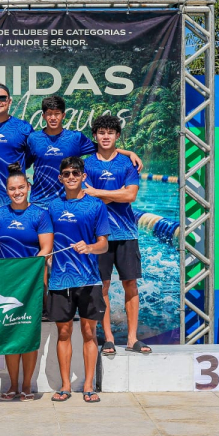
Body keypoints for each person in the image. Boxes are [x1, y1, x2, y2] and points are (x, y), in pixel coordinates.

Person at [0, 163, 53, 401]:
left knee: (28, 334)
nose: (17, 192)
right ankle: (12, 385)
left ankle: (26, 385)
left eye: (21, 187)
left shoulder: (40, 214)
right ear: (6, 190)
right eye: (12, 188)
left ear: (28, 187)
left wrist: (28, 270)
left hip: (31, 284)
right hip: (6, 284)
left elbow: (46, 248)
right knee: (11, 334)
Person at [83, 115, 150, 356]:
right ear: (95, 136)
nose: (106, 136)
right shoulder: (87, 164)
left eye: (110, 132)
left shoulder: (126, 164)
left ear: (117, 136)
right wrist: (116, 192)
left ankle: (132, 338)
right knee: (103, 287)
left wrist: (101, 193)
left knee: (130, 284)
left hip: (126, 233)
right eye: (101, 132)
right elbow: (87, 196)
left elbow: (131, 196)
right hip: (99, 235)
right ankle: (109, 338)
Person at [47, 156, 110, 403]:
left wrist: (90, 248)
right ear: (60, 178)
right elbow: (45, 241)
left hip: (88, 278)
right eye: (66, 173)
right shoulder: (52, 207)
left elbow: (104, 245)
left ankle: (88, 385)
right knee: (63, 333)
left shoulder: (96, 206)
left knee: (88, 332)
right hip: (60, 280)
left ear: (84, 177)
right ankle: (64, 386)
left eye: (75, 173)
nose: (71, 177)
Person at [28, 95, 144, 207]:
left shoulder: (75, 138)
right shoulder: (33, 139)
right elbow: (23, 162)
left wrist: (129, 153)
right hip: (39, 201)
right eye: (49, 114)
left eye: (57, 114)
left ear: (63, 115)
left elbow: (102, 146)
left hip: (67, 202)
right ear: (43, 116)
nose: (53, 118)